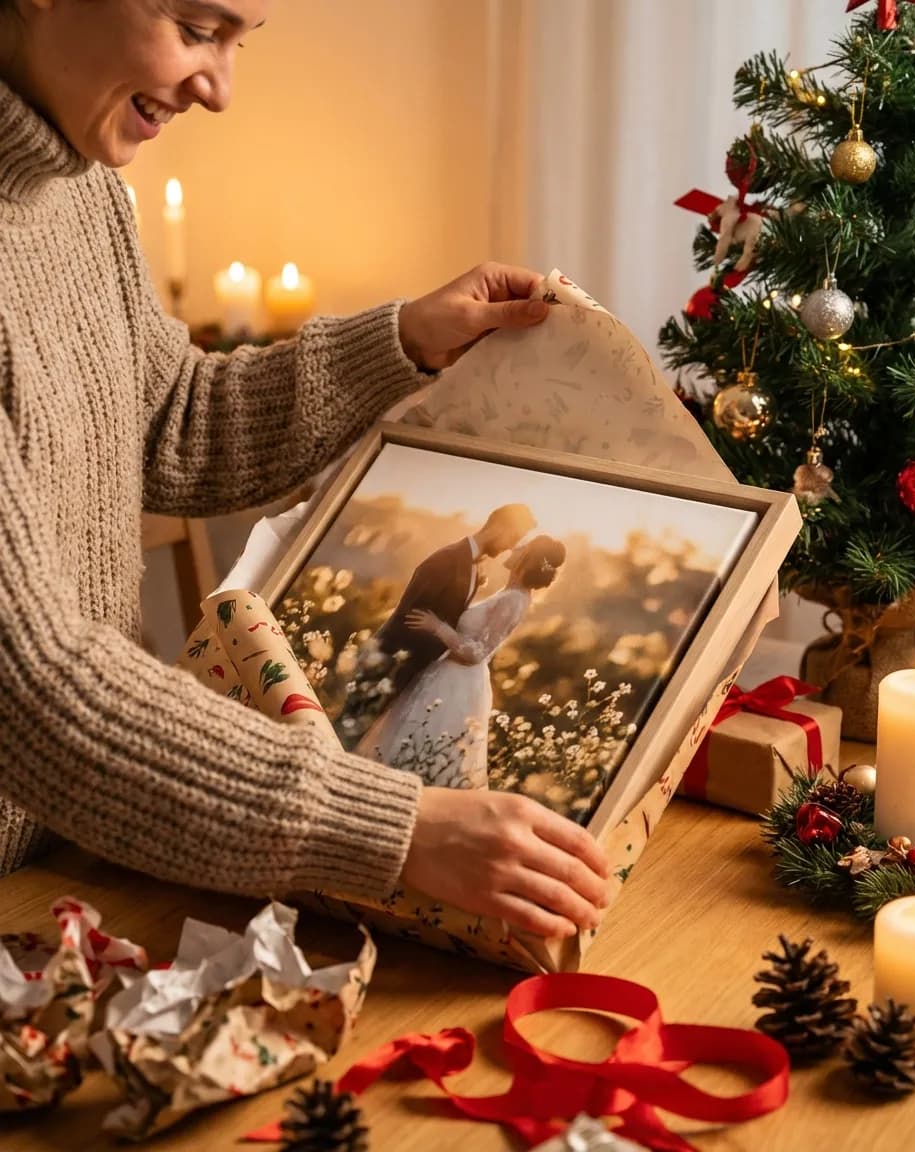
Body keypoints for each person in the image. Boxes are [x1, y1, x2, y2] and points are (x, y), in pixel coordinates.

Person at [0, 0, 609, 942]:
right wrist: (391, 825)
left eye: (243, 41)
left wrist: (404, 340)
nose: (222, 89)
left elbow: (173, 426)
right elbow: (30, 691)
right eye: (199, 30)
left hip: (73, 869)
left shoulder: (74, 184)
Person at [357, 535, 566, 790]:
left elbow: (478, 652)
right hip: (447, 672)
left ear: (527, 557)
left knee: (422, 745)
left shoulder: (514, 600)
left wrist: (438, 627)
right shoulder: (510, 593)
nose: (515, 547)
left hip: (457, 683)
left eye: (523, 546)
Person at [366, 502, 537, 698]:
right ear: (499, 527)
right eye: (514, 537)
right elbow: (409, 616)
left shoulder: (474, 565)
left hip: (410, 674)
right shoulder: (448, 559)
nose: (511, 546)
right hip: (388, 667)